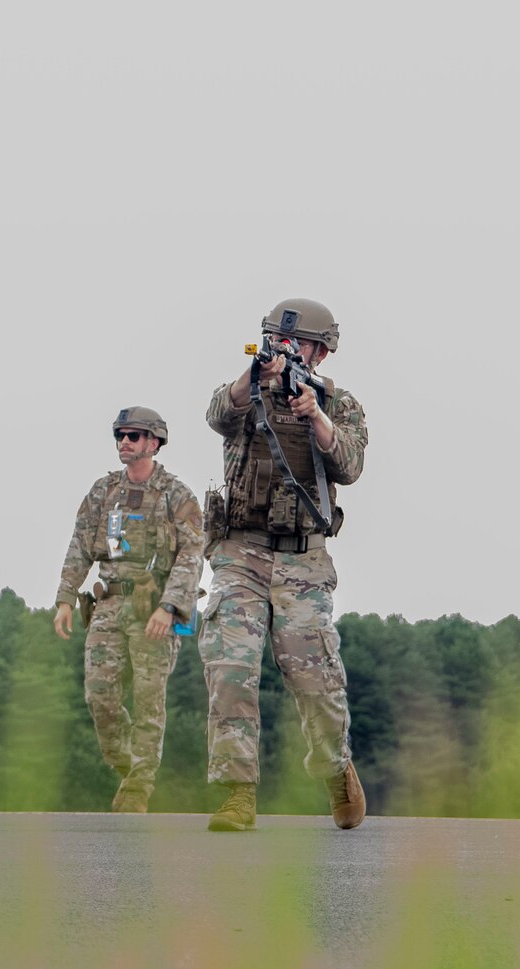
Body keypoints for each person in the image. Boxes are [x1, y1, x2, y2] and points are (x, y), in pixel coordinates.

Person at [200, 298, 368, 832]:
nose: (286, 348)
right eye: (277, 338)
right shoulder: (247, 391)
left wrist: (313, 415)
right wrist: (254, 378)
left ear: (321, 351)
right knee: (230, 666)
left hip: (304, 559)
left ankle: (335, 768)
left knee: (314, 678)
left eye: (298, 343)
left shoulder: (339, 406)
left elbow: (351, 464)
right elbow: (217, 415)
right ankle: (236, 793)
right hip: (240, 552)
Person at [53, 407, 204, 812]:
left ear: (154, 443)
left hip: (153, 607)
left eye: (134, 436)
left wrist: (170, 608)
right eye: (120, 435)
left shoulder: (177, 495)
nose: (124, 442)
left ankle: (139, 787)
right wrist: (66, 597)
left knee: (149, 699)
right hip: (108, 605)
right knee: (99, 697)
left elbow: (193, 555)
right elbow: (80, 545)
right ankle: (129, 768)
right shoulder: (103, 492)